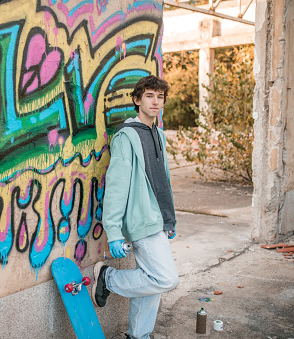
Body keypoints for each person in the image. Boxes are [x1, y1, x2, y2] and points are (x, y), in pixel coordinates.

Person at [91, 75, 179, 339]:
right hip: (141, 221)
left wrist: (169, 219)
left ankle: (138, 335)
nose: (155, 101)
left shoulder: (158, 135)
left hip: (158, 220)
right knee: (166, 279)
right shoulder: (126, 137)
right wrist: (114, 231)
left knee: (150, 281)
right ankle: (108, 278)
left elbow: (162, 181)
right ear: (137, 99)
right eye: (149, 96)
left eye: (160, 97)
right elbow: (116, 187)